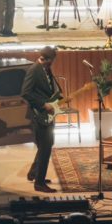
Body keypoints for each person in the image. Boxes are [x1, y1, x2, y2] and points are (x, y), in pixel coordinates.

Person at [21, 46, 64, 193]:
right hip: (39, 114)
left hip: (47, 114)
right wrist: (43, 104)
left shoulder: (46, 68)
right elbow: (25, 93)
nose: (51, 64)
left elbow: (48, 90)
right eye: (51, 61)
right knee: (45, 147)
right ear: (46, 59)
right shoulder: (34, 70)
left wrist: (56, 99)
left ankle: (34, 173)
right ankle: (39, 183)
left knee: (46, 144)